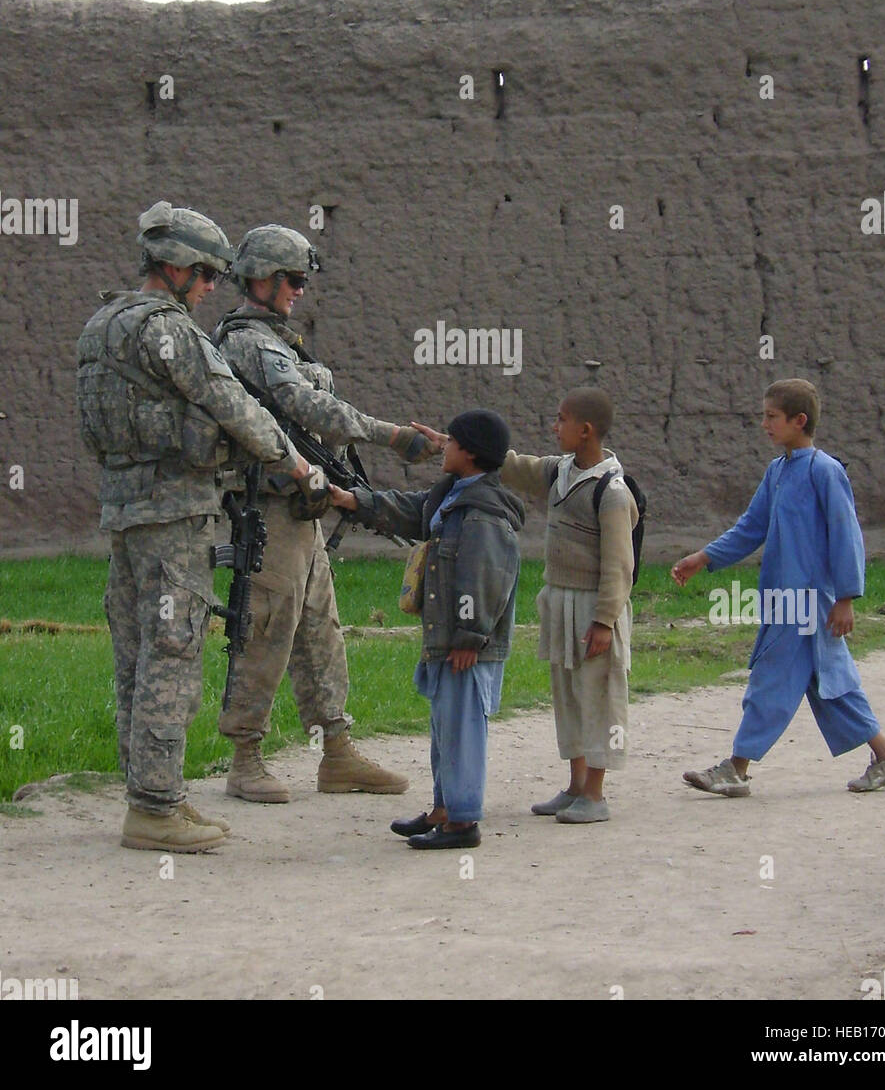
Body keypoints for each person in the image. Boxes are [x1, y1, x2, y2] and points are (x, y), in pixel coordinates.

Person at [76, 202, 312, 852]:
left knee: (135, 655)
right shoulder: (168, 329)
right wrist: (290, 458)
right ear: (175, 266)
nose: (212, 286)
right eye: (206, 273)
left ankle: (142, 792)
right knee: (173, 654)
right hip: (175, 517)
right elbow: (229, 402)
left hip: (123, 513)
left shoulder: (101, 325)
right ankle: (157, 809)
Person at [212, 225, 437, 802]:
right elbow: (310, 407)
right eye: (292, 279)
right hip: (269, 512)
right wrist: (393, 437)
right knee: (265, 628)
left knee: (319, 631)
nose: (300, 291)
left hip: (301, 510)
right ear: (261, 279)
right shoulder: (250, 343)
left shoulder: (279, 340)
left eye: (303, 281)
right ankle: (245, 757)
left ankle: (335, 750)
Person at [671, 378, 885, 797]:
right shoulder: (777, 471)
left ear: (798, 421)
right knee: (828, 684)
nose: (763, 423)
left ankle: (736, 768)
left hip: (807, 603)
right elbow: (752, 526)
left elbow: (846, 534)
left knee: (770, 679)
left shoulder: (825, 471)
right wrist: (705, 557)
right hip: (783, 600)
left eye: (771, 416)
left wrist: (845, 598)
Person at [418, 389, 639, 823]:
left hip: (594, 608)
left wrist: (604, 621)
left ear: (586, 430)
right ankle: (575, 785)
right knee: (569, 696)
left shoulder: (611, 491)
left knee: (599, 697)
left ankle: (595, 793)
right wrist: (452, 441)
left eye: (560, 420)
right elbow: (513, 465)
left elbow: (619, 565)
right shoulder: (562, 471)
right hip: (560, 602)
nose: (553, 428)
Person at [330, 409, 524, 849]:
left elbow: (487, 576)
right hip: (447, 642)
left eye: (451, 442)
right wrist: (354, 501)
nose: (444, 448)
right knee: (445, 730)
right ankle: (443, 808)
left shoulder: (483, 514)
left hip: (465, 646)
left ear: (469, 454)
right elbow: (411, 510)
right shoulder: (453, 497)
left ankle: (462, 822)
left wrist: (471, 636)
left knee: (462, 731)